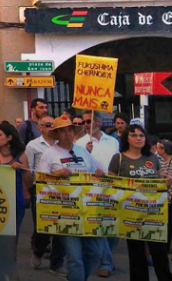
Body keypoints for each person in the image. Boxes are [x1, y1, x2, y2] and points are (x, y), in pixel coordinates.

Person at [36, 115, 106, 281]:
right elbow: (39, 180)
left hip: (88, 210)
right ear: (57, 134)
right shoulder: (49, 154)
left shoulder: (82, 151)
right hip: (65, 212)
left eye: (69, 130)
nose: (67, 134)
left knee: (95, 253)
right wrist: (55, 174)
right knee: (74, 258)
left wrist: (98, 173)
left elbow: (95, 172)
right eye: (62, 131)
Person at [107, 124, 172, 281]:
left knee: (160, 255)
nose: (138, 138)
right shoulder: (119, 158)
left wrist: (168, 181)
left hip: (154, 214)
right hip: (131, 215)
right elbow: (110, 185)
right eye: (134, 135)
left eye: (141, 135)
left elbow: (159, 180)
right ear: (126, 138)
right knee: (137, 257)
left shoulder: (152, 158)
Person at [75, 112, 120, 278]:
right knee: (100, 226)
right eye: (85, 122)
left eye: (89, 121)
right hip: (92, 189)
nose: (86, 124)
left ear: (99, 122)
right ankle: (106, 262)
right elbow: (78, 165)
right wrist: (85, 152)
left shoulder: (113, 141)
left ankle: (106, 257)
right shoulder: (79, 143)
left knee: (113, 227)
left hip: (112, 187)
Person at [25, 115, 66, 275]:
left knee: (61, 228)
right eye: (47, 124)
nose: (51, 127)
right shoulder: (32, 145)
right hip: (41, 190)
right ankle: (38, 251)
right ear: (40, 127)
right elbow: (28, 170)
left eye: (53, 124)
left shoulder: (63, 146)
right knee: (43, 228)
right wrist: (29, 189)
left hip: (62, 191)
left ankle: (56, 263)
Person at [0, 121, 31, 234]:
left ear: (9, 137)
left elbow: (30, 182)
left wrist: (23, 170)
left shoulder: (21, 156)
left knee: (13, 235)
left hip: (15, 200)